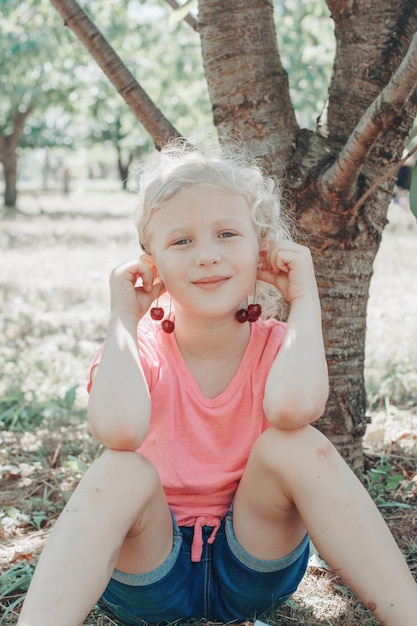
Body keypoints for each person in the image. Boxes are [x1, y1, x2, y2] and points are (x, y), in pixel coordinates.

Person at [17, 141, 417, 626]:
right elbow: (118, 432)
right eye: (181, 241)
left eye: (227, 234)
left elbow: (296, 410)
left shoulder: (275, 344)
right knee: (119, 470)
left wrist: (304, 296)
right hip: (149, 573)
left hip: (251, 564)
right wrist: (122, 318)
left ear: (261, 248)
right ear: (152, 263)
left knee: (296, 446)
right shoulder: (137, 347)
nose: (207, 256)